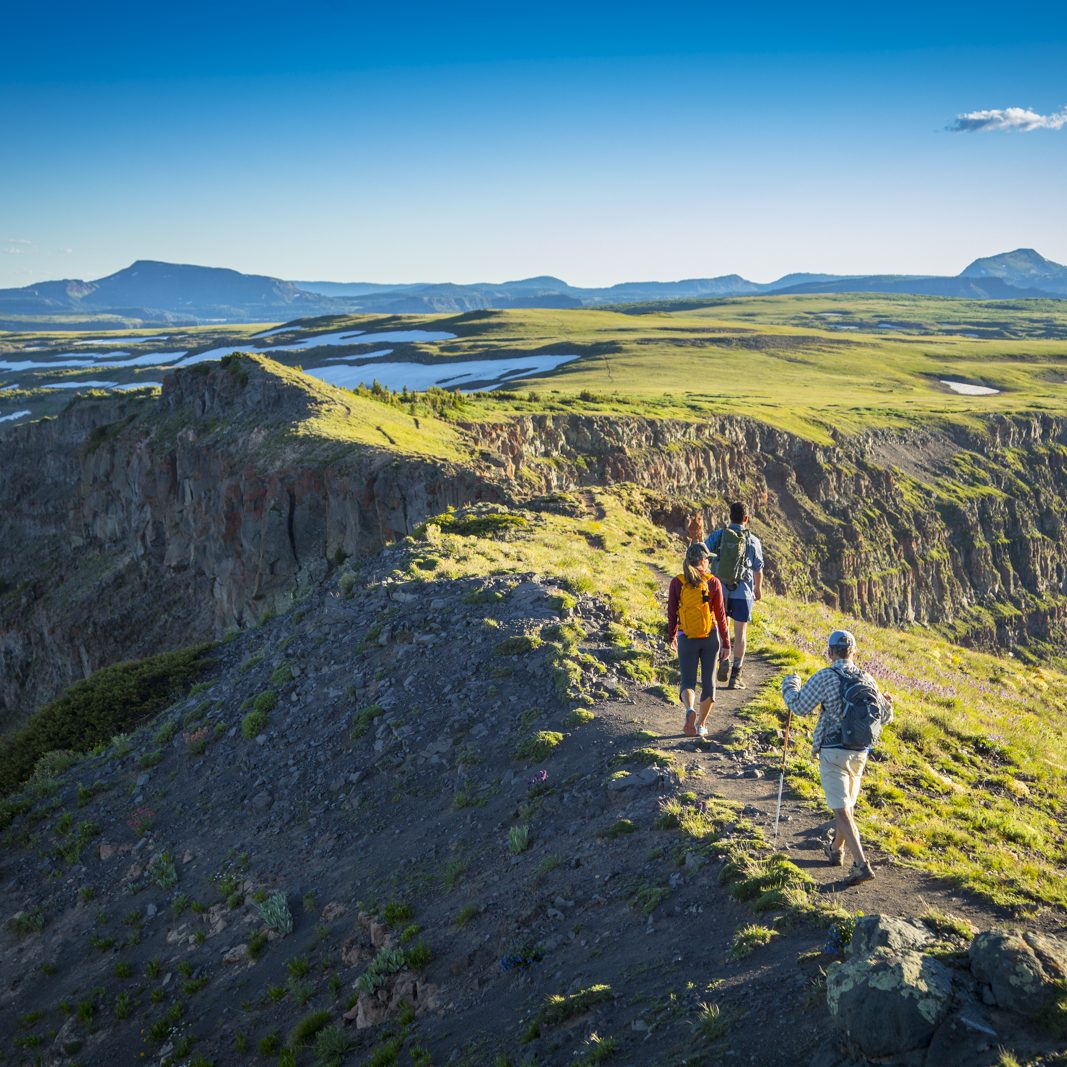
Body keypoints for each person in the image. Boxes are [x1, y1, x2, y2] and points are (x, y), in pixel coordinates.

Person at [780, 629, 893, 886]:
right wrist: (888, 701)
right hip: (860, 752)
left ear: (830, 652)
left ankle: (861, 864)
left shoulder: (825, 676)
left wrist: (789, 686)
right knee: (847, 806)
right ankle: (836, 850)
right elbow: (886, 717)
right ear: (853, 652)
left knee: (842, 810)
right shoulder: (867, 678)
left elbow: (798, 707)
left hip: (833, 750)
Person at [667, 542, 731, 739]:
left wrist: (671, 636)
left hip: (686, 637)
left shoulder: (677, 582)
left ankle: (689, 710)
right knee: (708, 683)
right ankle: (701, 724)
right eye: (708, 559)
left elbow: (671, 613)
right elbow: (721, 615)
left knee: (687, 681)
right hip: (710, 637)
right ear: (703, 561)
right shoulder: (713, 582)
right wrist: (726, 643)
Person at [705, 502, 764, 690]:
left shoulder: (719, 535)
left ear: (729, 517)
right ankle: (735, 676)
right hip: (743, 591)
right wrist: (758, 589)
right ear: (746, 518)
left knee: (722, 628)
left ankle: (721, 662)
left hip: (720, 590)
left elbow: (702, 553)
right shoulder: (753, 540)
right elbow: (758, 568)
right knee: (741, 633)